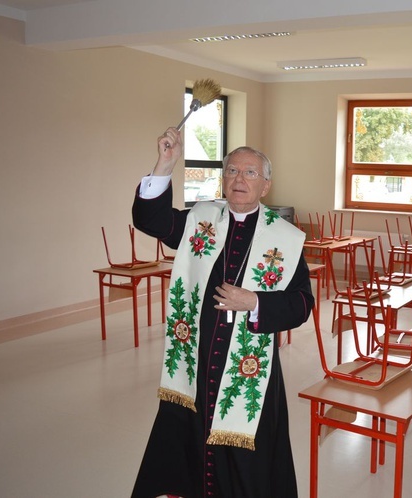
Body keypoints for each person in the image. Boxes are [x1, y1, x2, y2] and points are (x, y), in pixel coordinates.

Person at [131, 127, 314, 497]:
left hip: (251, 371)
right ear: (222, 179)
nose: (239, 179)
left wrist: (256, 302)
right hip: (195, 360)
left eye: (250, 173)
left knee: (250, 454)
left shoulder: (286, 238)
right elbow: (150, 221)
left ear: (265, 186)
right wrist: (166, 162)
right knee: (190, 442)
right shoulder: (200, 220)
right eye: (231, 171)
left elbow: (302, 303)